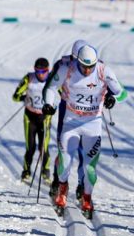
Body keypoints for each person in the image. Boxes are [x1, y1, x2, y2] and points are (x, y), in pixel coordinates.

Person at [42, 44, 126, 219]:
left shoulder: (103, 71)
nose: (87, 70)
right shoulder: (67, 69)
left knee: (90, 168)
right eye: (83, 66)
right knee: (64, 161)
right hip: (71, 123)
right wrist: (48, 104)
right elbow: (50, 87)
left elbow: (122, 92)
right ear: (77, 61)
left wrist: (112, 97)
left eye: (91, 66)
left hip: (92, 125)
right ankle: (62, 189)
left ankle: (87, 197)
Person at [48, 39, 88, 201]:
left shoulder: (94, 64)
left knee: (84, 150)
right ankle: (58, 181)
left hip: (87, 112)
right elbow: (51, 84)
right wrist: (49, 103)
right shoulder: (62, 64)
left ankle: (82, 184)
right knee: (63, 148)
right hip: (67, 110)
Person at [12, 57, 52, 182]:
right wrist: (23, 98)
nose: (40, 74)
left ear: (48, 70)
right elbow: (15, 96)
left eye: (43, 71)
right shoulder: (28, 78)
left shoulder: (53, 80)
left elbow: (64, 95)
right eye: (37, 71)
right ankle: (26, 170)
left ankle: (45, 172)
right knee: (31, 146)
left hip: (45, 118)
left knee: (43, 147)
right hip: (30, 117)